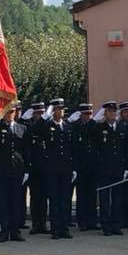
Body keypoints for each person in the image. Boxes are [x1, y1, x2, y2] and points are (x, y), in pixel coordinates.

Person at [33, 99, 75, 239]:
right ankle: (55, 229)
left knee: (65, 200)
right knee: (54, 200)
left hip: (66, 170)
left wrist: (73, 168)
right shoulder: (47, 126)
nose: (60, 111)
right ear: (53, 111)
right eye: (57, 109)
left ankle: (64, 228)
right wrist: (45, 116)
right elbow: (35, 130)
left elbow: (71, 149)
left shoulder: (68, 127)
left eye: (62, 109)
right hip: (51, 170)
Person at [0, 106, 27, 243]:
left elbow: (25, 150)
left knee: (16, 202)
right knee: (3, 202)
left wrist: (27, 170)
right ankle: (5, 231)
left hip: (17, 169)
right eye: (7, 112)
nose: (10, 115)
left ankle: (15, 231)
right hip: (1, 170)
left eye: (12, 112)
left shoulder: (22, 128)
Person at [91, 101, 127, 236]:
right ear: (105, 114)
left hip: (118, 168)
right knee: (105, 199)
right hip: (104, 169)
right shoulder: (99, 128)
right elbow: (94, 146)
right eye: (109, 112)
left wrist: (126, 167)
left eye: (114, 112)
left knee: (117, 198)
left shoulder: (121, 128)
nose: (112, 114)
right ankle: (106, 226)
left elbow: (125, 150)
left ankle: (116, 225)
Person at [71, 103, 99, 231]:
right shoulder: (76, 126)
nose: (88, 116)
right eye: (85, 114)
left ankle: (92, 221)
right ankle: (82, 221)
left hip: (93, 166)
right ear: (81, 114)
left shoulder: (95, 126)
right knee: (81, 195)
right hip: (81, 166)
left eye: (90, 114)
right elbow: (74, 147)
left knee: (92, 195)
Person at [23, 102, 49, 235]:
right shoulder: (28, 125)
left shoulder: (46, 124)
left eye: (41, 113)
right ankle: (35, 224)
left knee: (44, 197)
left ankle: (43, 224)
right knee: (34, 197)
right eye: (37, 113)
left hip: (44, 167)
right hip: (33, 166)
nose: (40, 115)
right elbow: (30, 132)